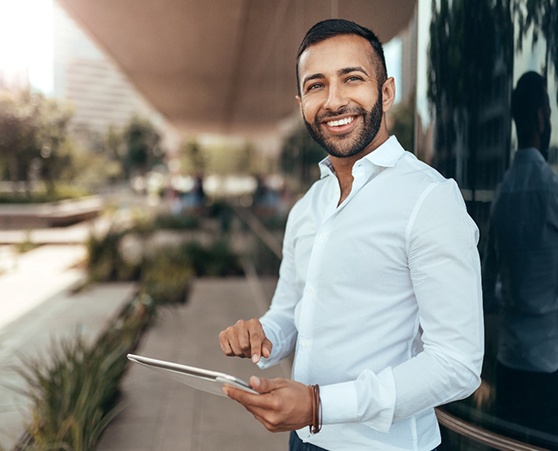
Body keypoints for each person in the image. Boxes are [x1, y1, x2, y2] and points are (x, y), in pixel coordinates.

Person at [219, 19, 483, 450]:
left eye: (352, 79)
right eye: (316, 85)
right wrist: (262, 335)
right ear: (301, 101)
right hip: (303, 440)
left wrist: (320, 405)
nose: (334, 100)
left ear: (386, 92)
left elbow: (457, 364)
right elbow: (289, 312)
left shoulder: (429, 199)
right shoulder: (307, 207)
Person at [482, 71, 558, 434]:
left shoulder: (501, 195)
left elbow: (488, 284)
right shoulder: (553, 190)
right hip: (548, 364)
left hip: (509, 361)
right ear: (543, 118)